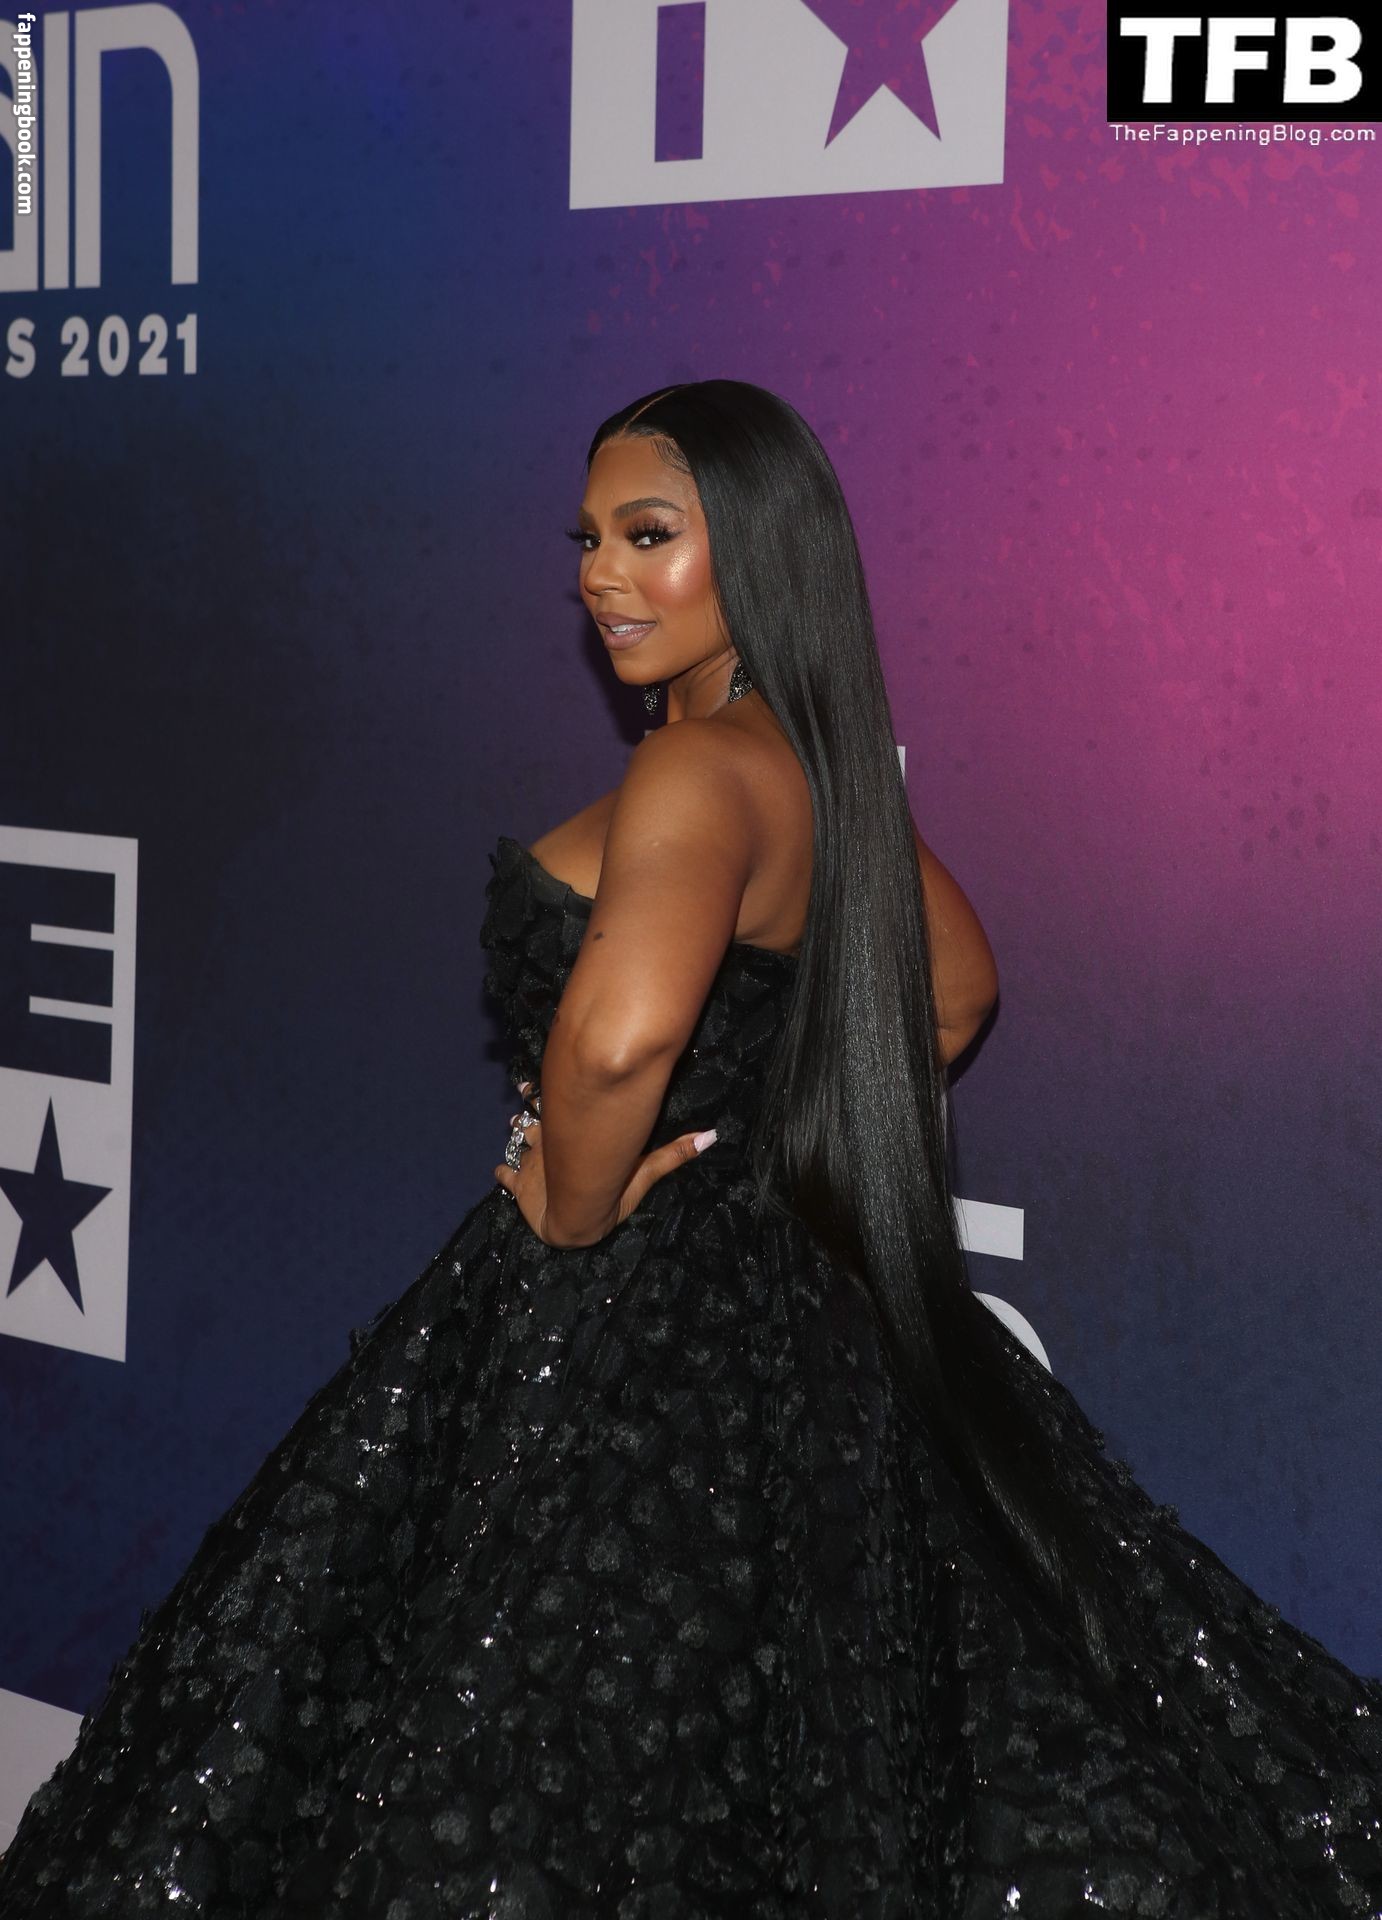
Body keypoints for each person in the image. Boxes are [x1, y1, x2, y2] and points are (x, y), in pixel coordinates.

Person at [1, 379, 1377, 1918]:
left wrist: (575, 1215)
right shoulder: (817, 767)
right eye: (587, 539)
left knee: (524, 1746)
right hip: (803, 1310)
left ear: (759, 554)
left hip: (632, 1323)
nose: (600, 575)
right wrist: (782, 1116)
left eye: (646, 535)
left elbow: (613, 1042)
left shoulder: (696, 769)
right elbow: (957, 991)